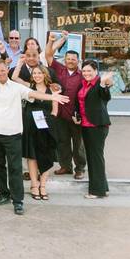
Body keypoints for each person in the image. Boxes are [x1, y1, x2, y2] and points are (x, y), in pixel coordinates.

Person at [0, 51, 69, 215]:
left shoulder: (17, 87)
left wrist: (52, 98)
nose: (0, 73)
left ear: (7, 69)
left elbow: (33, 93)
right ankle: (3, 194)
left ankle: (17, 201)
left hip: (12, 134)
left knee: (15, 168)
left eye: (3, 70)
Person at [13, 65, 58, 201]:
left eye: (40, 73)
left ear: (45, 74)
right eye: (35, 73)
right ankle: (34, 185)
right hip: (31, 127)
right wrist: (20, 63)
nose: (37, 75)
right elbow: (14, 78)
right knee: (32, 156)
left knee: (46, 155)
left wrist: (49, 122)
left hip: (46, 127)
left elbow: (55, 110)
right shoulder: (28, 87)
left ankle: (43, 186)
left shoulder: (52, 89)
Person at [46, 32, 86, 179]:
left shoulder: (82, 75)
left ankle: (80, 168)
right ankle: (65, 166)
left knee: (78, 143)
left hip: (76, 115)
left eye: (73, 59)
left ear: (78, 61)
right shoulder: (59, 69)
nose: (70, 61)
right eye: (68, 59)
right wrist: (54, 41)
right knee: (62, 142)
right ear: (65, 59)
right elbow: (48, 55)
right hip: (60, 114)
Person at [77, 61, 113, 199]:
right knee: (94, 158)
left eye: (89, 71)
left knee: (95, 158)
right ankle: (103, 187)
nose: (86, 73)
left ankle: (97, 191)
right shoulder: (84, 83)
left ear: (96, 71)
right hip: (85, 125)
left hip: (97, 126)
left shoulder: (100, 83)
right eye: (84, 71)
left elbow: (105, 97)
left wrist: (104, 84)